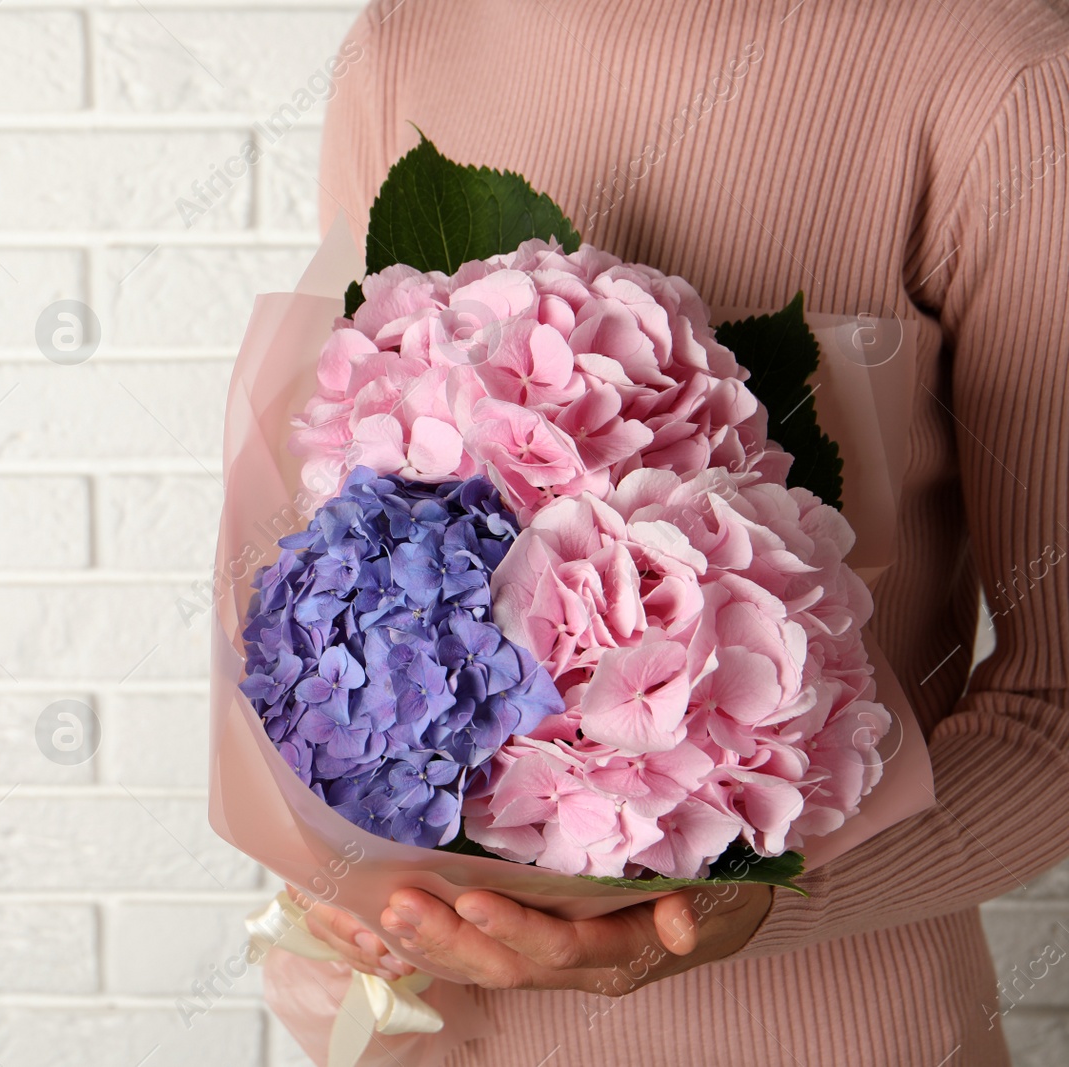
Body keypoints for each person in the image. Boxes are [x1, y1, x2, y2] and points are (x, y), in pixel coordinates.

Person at [294, 0, 1069, 1063]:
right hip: (440, 1031)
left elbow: (1055, 711)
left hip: (834, 1034)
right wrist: (337, 860)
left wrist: (753, 900)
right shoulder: (410, 41)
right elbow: (334, 548)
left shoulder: (997, 66)